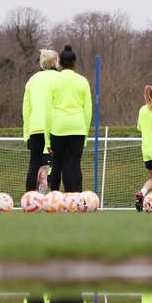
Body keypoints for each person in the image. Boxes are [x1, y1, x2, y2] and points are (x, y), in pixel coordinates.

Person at [47, 46, 92, 193]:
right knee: (75, 165)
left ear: (59, 62)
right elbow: (88, 111)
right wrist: (84, 135)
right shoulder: (83, 81)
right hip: (78, 127)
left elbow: (48, 112)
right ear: (74, 63)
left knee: (57, 164)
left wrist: (48, 140)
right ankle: (77, 200)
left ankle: (54, 199)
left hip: (58, 127)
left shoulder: (53, 81)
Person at [23, 49, 59, 193]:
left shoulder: (32, 80)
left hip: (35, 127)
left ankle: (29, 199)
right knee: (52, 166)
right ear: (55, 62)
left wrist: (27, 133)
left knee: (34, 165)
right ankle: (53, 200)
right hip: (54, 127)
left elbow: (26, 109)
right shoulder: (60, 78)